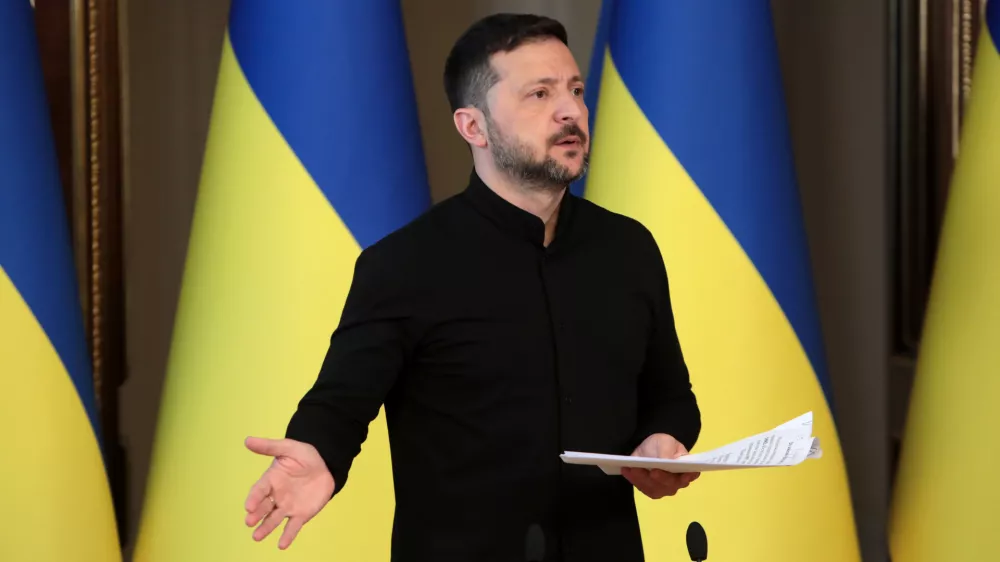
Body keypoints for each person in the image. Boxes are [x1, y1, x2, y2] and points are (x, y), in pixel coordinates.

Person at [241, 13, 701, 561]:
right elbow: (340, 404)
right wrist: (318, 453)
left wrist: (662, 440)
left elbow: (671, 398)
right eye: (539, 94)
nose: (571, 111)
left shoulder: (629, 249)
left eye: (576, 90)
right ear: (473, 127)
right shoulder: (404, 264)